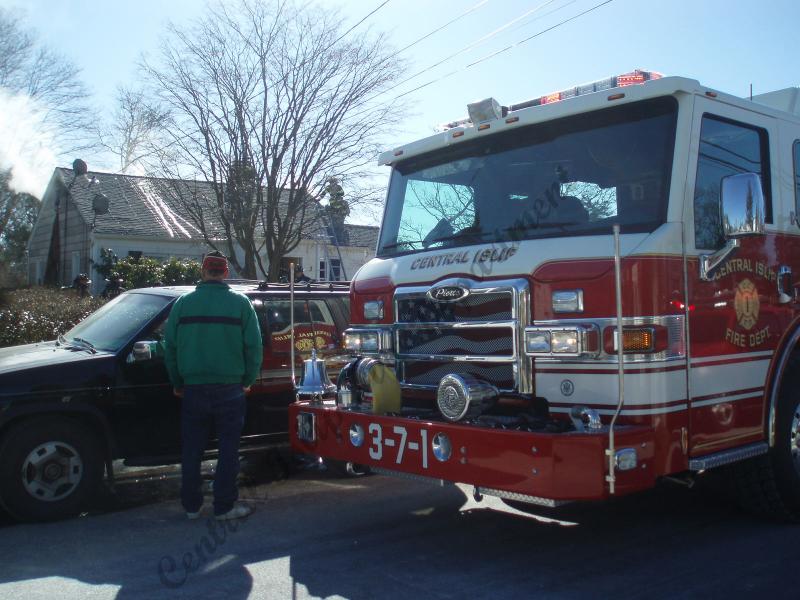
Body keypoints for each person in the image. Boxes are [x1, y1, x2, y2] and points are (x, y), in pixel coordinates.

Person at [164, 251, 263, 521]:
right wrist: (248, 380)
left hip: (193, 389)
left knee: (192, 449)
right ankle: (224, 506)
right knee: (228, 451)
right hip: (231, 389)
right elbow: (254, 347)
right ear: (226, 273)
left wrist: (177, 381)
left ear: (203, 272)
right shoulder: (241, 304)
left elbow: (169, 347)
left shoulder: (183, 304)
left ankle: (191, 507)